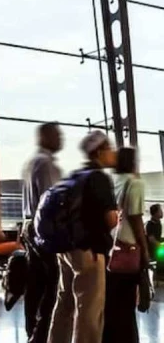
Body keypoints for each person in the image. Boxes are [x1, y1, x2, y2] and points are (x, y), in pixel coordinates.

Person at [47, 131, 118, 343]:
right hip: (89, 251)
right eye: (109, 148)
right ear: (99, 152)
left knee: (65, 304)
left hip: (66, 249)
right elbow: (110, 219)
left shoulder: (74, 176)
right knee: (89, 310)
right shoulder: (99, 178)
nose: (113, 153)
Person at [103, 147, 148, 343]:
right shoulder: (135, 183)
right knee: (128, 303)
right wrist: (144, 250)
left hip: (111, 249)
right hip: (129, 249)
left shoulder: (112, 181)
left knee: (113, 303)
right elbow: (136, 219)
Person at [23, 122, 63, 343]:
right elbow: (50, 202)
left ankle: (32, 330)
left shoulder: (31, 163)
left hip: (30, 226)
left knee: (35, 283)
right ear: (46, 137)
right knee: (53, 283)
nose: (61, 139)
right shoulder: (46, 164)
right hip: (44, 228)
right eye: (57, 135)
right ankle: (43, 332)